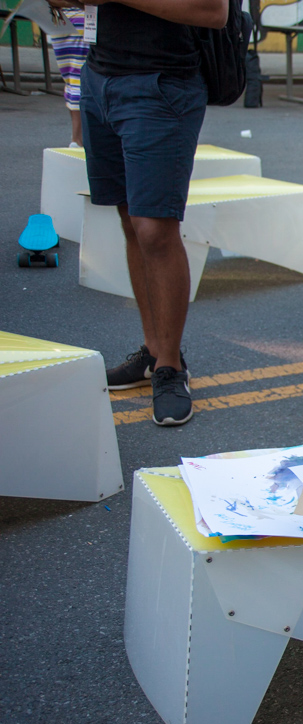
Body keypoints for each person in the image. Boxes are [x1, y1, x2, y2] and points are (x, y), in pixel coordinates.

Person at [50, 0, 228, 426]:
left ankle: (170, 367)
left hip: (162, 82)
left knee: (154, 229)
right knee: (130, 220)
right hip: (99, 75)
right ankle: (153, 350)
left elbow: (213, 11)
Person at [45, 8, 88, 146]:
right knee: (79, 77)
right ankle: (78, 138)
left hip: (57, 19)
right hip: (82, 16)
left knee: (70, 77)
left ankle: (76, 136)